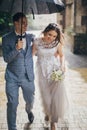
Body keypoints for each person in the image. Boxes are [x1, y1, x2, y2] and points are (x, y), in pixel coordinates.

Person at [2, 12, 35, 130]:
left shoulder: (31, 37)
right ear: (15, 23)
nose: (26, 25)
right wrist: (16, 49)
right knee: (12, 104)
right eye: (23, 23)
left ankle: (29, 110)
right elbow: (6, 59)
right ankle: (12, 127)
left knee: (30, 100)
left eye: (27, 23)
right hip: (12, 77)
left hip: (28, 77)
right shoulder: (6, 39)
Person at [32, 23, 68, 130]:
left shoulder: (57, 43)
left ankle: (54, 122)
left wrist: (62, 67)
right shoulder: (37, 42)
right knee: (46, 98)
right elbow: (30, 56)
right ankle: (47, 112)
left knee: (56, 97)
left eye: (54, 36)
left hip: (55, 72)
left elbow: (61, 56)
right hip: (42, 72)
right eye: (49, 34)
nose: (51, 38)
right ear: (45, 32)